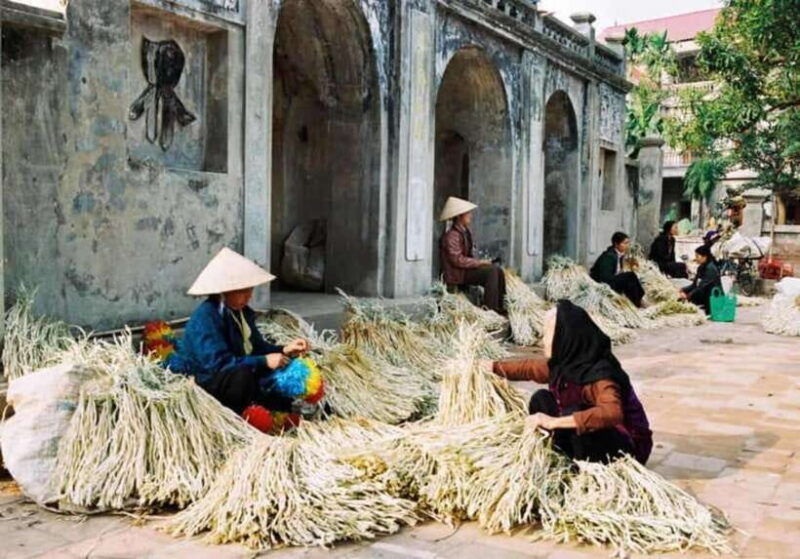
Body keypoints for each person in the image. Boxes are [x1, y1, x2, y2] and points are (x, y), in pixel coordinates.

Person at [487, 301, 652, 464]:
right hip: (595, 437)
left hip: (627, 447)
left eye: (547, 335)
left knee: (572, 413)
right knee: (542, 400)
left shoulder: (600, 374)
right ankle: (565, 454)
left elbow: (611, 413)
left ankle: (582, 466)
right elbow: (529, 368)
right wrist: (492, 367)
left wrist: (553, 422)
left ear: (563, 337)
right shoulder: (568, 362)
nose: (542, 341)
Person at [167, 247, 310, 415]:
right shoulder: (206, 317)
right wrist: (263, 361)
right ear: (224, 292)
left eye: (250, 290)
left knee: (291, 367)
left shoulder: (241, 313)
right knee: (242, 377)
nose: (249, 296)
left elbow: (257, 348)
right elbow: (219, 365)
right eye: (242, 291)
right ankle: (257, 413)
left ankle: (290, 408)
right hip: (207, 381)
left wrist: (284, 350)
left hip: (235, 371)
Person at [439, 196, 507, 314]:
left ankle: (499, 307)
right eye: (468, 214)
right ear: (460, 216)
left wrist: (481, 262)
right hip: (458, 274)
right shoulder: (452, 236)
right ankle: (490, 310)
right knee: (491, 272)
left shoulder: (464, 232)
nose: (470, 216)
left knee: (497, 270)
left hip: (464, 270)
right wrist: (479, 263)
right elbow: (457, 260)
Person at [590, 232, 646, 307]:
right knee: (629, 276)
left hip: (611, 280)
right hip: (604, 284)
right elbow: (604, 277)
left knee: (631, 277)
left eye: (628, 243)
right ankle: (637, 303)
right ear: (616, 244)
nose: (627, 246)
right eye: (625, 243)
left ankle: (638, 300)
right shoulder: (609, 257)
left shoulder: (619, 255)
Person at [679, 244, 722, 313]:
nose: (696, 258)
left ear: (705, 257)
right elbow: (694, 285)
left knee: (693, 295)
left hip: (712, 296)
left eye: (697, 256)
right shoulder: (701, 268)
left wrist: (688, 296)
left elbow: (701, 286)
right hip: (704, 292)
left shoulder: (711, 269)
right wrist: (683, 289)